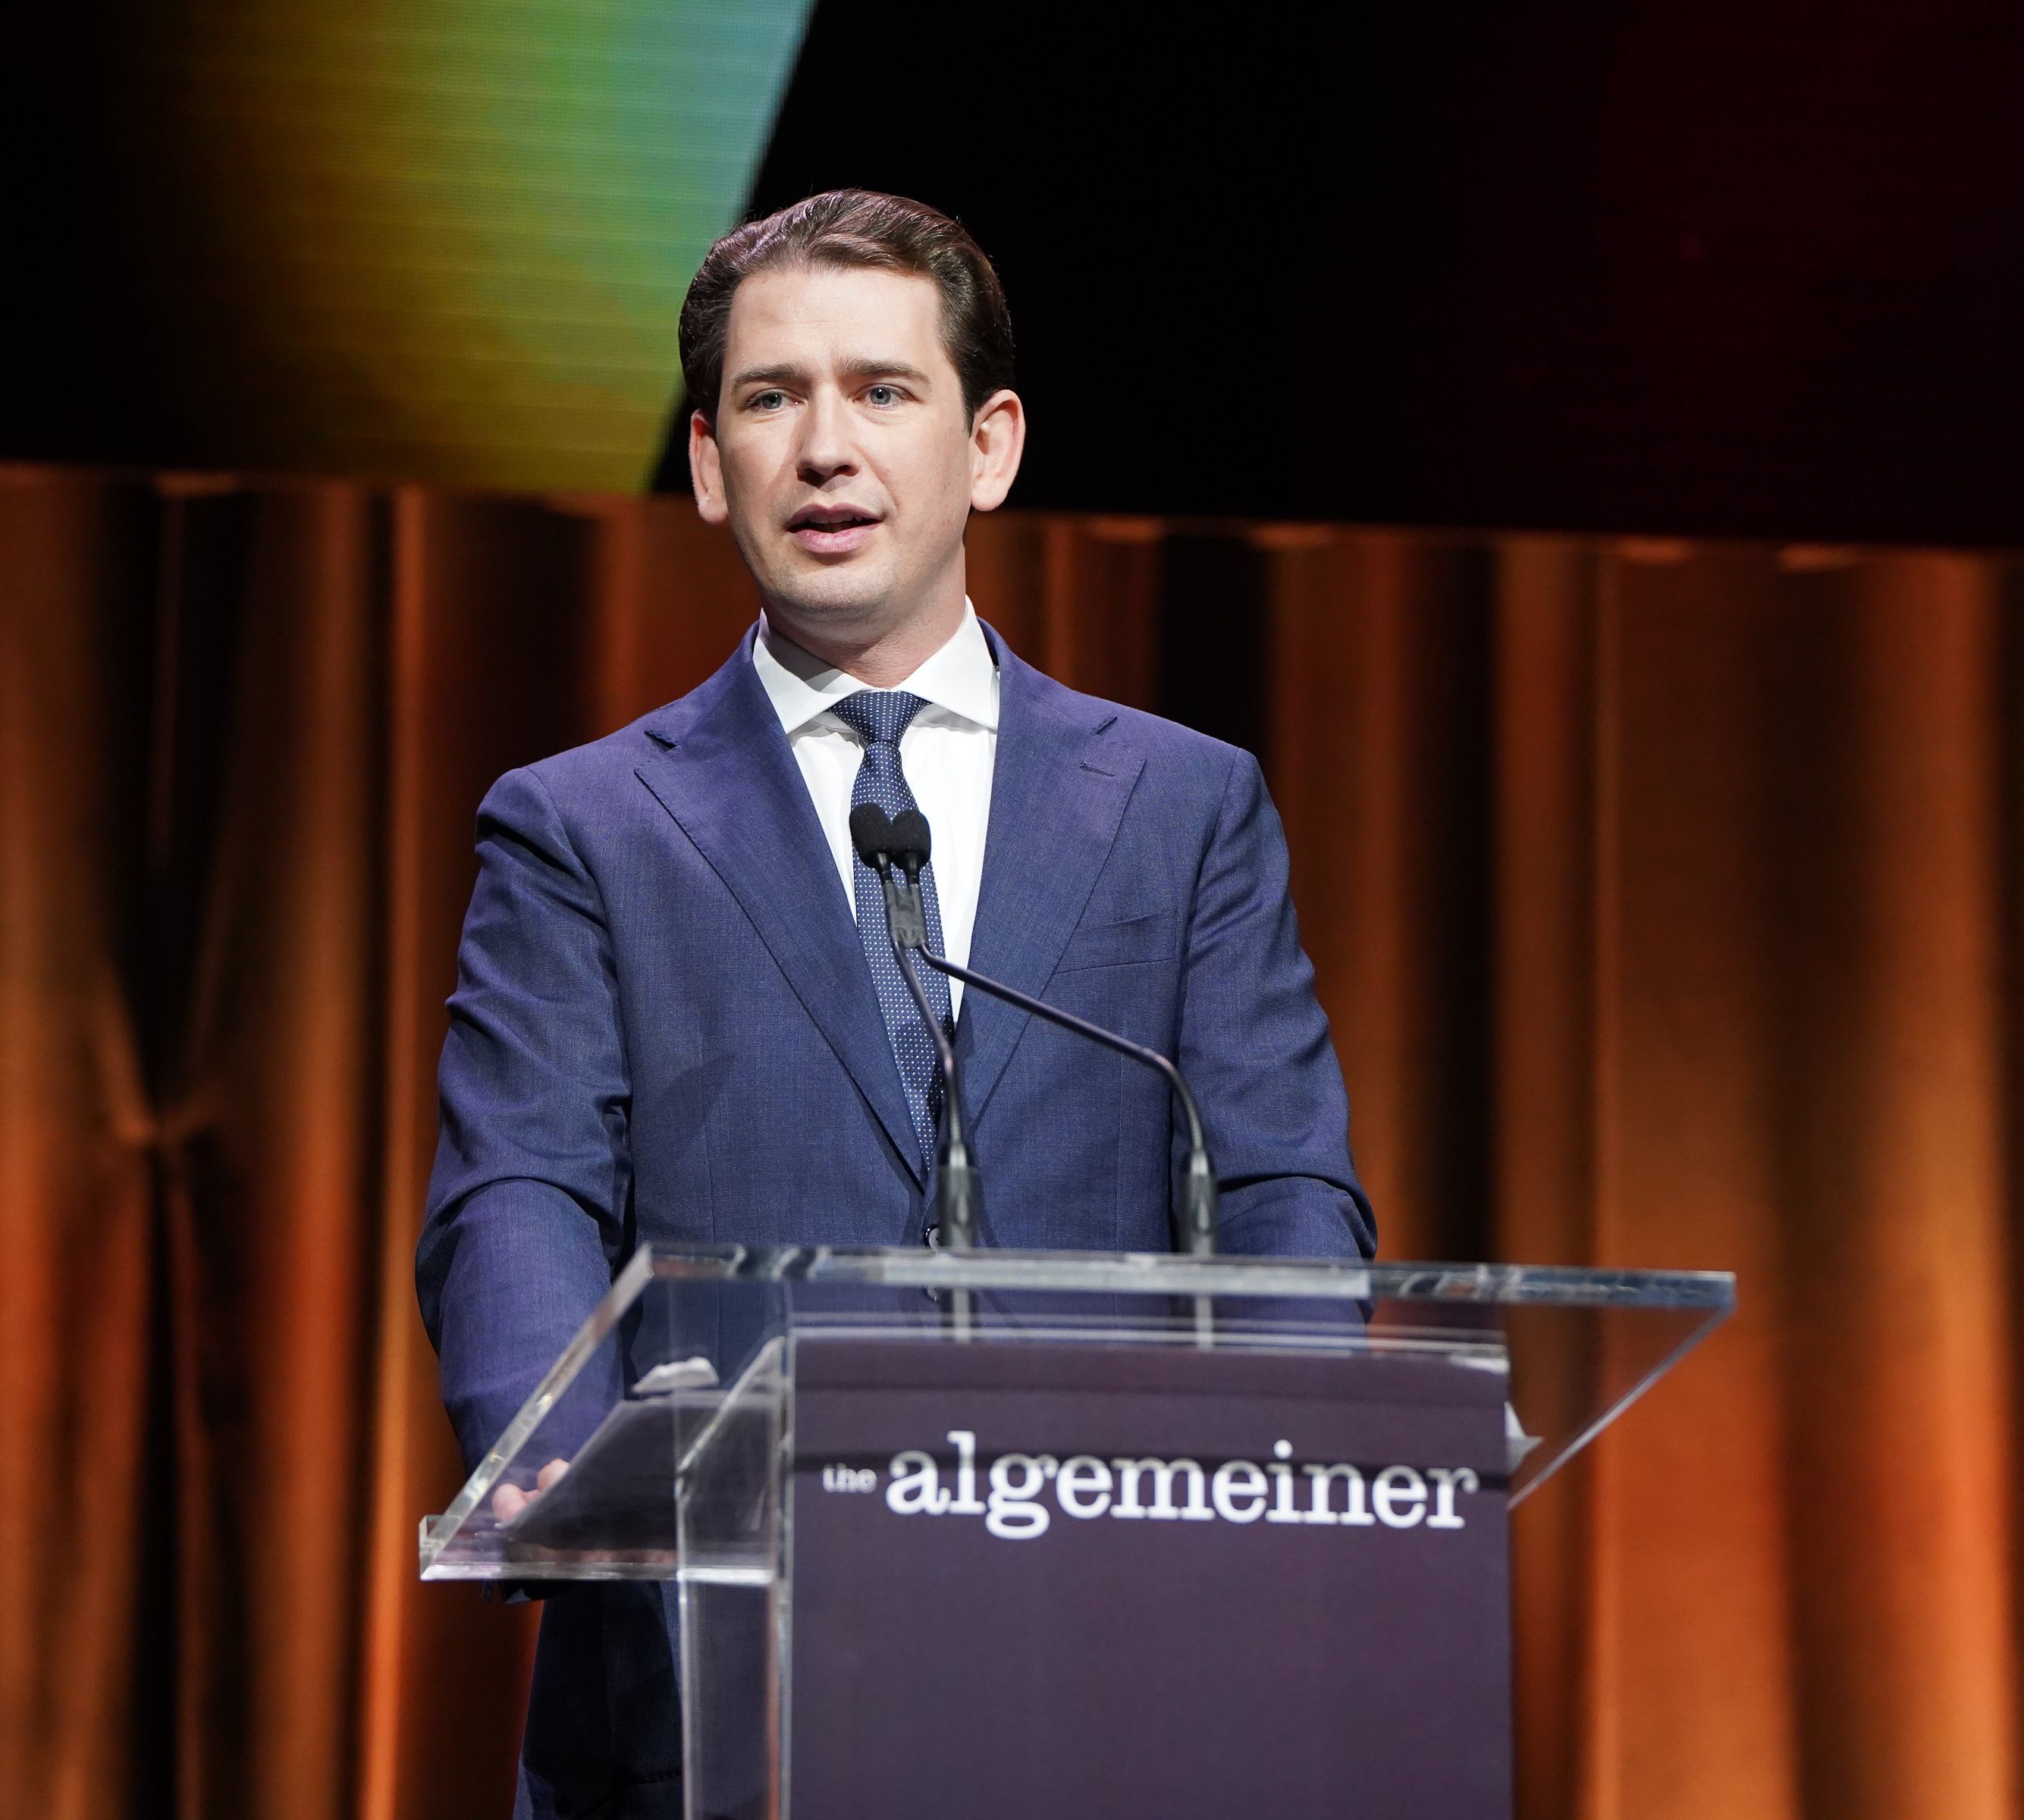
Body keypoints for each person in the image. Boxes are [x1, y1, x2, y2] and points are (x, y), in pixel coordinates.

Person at [418, 189, 1373, 1819]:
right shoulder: (581, 827)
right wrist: (566, 1468)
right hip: (708, 1694)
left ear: (988, 446)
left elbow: (1284, 1188)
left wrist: (1283, 1472)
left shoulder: (1181, 807)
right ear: (708, 463)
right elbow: (518, 1194)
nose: (825, 449)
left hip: (1114, 1682)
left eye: (882, 390)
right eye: (769, 399)